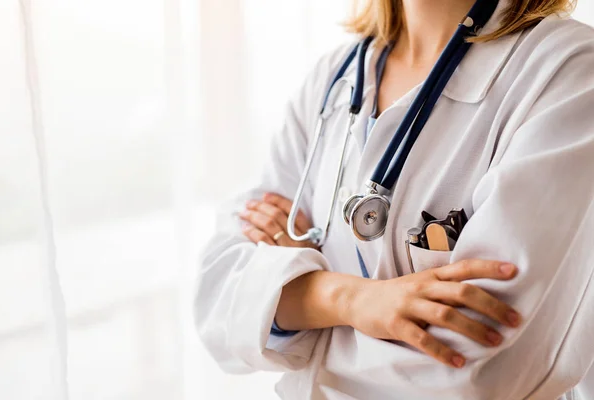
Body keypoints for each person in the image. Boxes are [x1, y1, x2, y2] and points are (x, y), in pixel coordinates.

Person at [194, 0, 594, 398]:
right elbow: (218, 300)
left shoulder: (567, 70)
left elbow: (480, 374)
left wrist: (291, 302)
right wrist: (350, 300)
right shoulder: (334, 78)